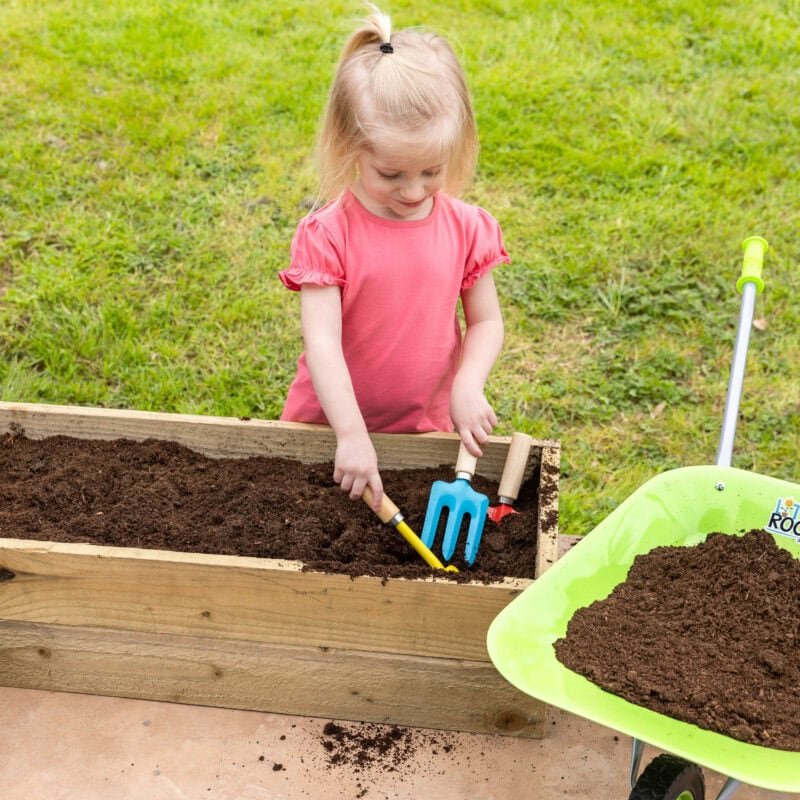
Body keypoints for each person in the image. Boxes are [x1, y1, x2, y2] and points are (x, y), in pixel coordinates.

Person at [279, 4, 508, 512]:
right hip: (329, 429)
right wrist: (351, 434)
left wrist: (468, 385)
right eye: (391, 174)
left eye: (432, 171)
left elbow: (486, 321)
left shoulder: (467, 228)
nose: (413, 190)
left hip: (422, 429)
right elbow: (322, 343)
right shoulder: (328, 234)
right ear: (350, 147)